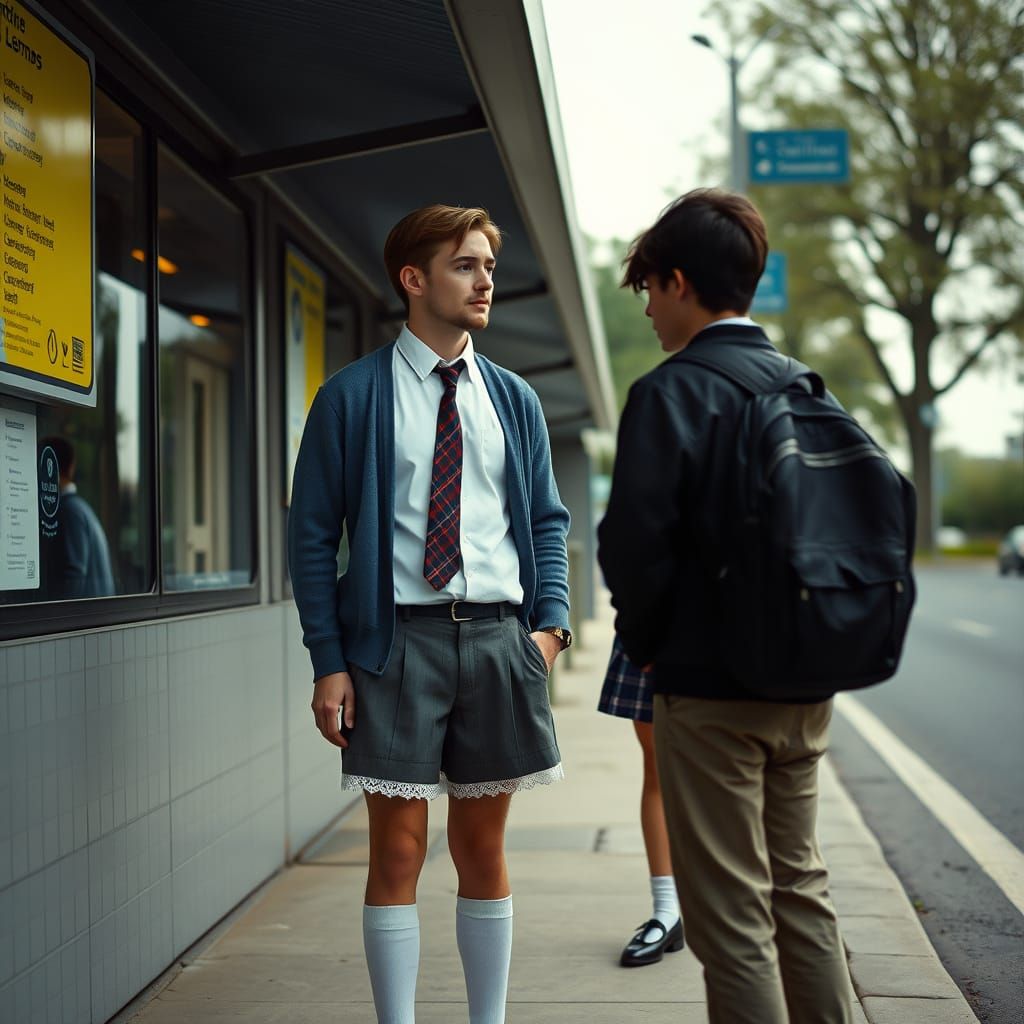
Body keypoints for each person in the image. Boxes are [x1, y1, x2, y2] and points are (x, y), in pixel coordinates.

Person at [288, 204, 572, 1024]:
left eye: (488, 265)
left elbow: (546, 522)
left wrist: (547, 632)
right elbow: (313, 540)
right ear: (414, 280)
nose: (485, 281)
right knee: (400, 849)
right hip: (395, 644)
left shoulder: (513, 400)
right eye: (464, 265)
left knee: (483, 848)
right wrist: (328, 661)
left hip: (499, 640)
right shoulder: (350, 398)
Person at [597, 189, 855, 1024]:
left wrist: (645, 643)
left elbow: (633, 546)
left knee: (731, 916)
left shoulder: (671, 391)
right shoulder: (806, 386)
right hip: (805, 688)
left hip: (709, 690)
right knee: (801, 889)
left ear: (678, 282)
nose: (648, 312)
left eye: (648, 292)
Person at [597, 635, 683, 966]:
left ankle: (744, 908)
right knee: (659, 769)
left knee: (737, 776)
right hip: (660, 629)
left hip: (738, 628)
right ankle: (667, 912)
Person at [40, 436, 115, 599]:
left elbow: (74, 574)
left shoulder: (70, 511)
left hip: (88, 618)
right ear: (71, 467)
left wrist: (56, 616)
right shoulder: (80, 508)